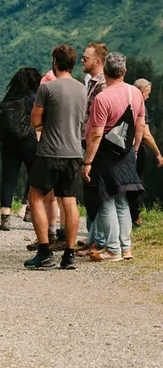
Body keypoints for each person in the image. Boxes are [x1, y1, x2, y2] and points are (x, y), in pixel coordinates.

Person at [25, 44, 86, 270]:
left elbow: (35, 121)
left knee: (36, 197)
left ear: (54, 62)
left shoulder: (47, 88)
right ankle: (69, 254)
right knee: (69, 201)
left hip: (50, 151)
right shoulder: (82, 89)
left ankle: (44, 252)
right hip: (73, 152)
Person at [82, 53, 145, 262]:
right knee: (122, 201)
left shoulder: (103, 98)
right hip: (127, 153)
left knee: (106, 200)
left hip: (106, 154)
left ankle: (112, 249)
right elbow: (140, 125)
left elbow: (97, 133)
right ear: (124, 71)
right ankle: (125, 248)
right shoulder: (135, 92)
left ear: (106, 72)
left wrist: (88, 161)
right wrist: (135, 150)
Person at [0, 67, 41, 231]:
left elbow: (0, 124)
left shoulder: (8, 98)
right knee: (34, 177)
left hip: (8, 143)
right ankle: (30, 211)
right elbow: (39, 123)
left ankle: (5, 218)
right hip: (29, 141)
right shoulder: (34, 98)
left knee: (8, 179)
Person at [80, 43, 108, 246]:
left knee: (95, 191)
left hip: (95, 144)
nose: (82, 60)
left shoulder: (102, 86)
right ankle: (92, 237)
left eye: (85, 58)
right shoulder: (91, 83)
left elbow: (98, 123)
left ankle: (98, 239)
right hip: (87, 140)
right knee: (89, 192)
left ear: (98, 61)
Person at [129, 79, 163, 227]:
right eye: (148, 93)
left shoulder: (126, 101)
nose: (148, 97)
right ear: (142, 92)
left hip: (120, 149)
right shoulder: (141, 105)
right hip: (137, 151)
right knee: (135, 185)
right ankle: (135, 216)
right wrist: (158, 153)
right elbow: (146, 134)